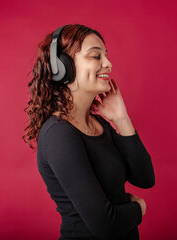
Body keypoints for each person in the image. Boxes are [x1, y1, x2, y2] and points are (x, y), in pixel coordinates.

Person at [23, 24, 155, 240]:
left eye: (106, 55)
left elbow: (145, 178)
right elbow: (106, 225)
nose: (108, 64)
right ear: (63, 67)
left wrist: (122, 119)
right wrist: (139, 208)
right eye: (95, 56)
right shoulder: (59, 135)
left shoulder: (98, 124)